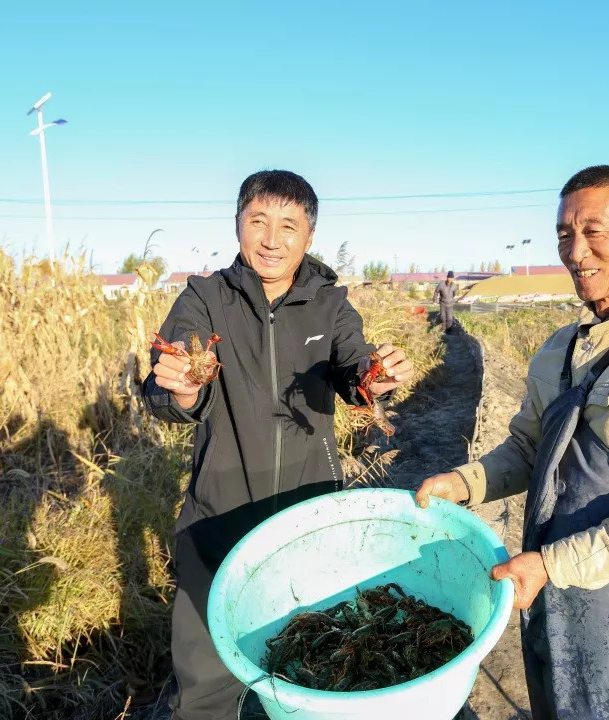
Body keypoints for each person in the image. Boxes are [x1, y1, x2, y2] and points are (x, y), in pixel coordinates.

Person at [416, 165, 609, 719]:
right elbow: (531, 452)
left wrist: (550, 564)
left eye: (594, 231)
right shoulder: (561, 347)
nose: (575, 251)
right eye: (564, 234)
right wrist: (463, 484)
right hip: (554, 596)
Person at [143, 170, 413, 720]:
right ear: (237, 225)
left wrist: (372, 380)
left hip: (310, 508)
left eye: (289, 226)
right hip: (219, 510)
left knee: (315, 657)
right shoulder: (204, 298)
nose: (272, 239)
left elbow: (353, 367)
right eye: (258, 222)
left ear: (308, 236)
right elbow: (164, 391)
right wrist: (178, 385)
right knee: (205, 680)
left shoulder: (330, 304)